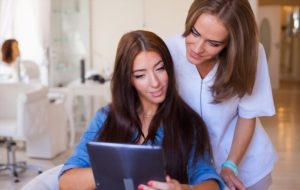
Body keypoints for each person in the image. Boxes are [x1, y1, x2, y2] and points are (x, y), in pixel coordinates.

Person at [59, 30, 224, 190]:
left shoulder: (188, 123)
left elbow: (211, 183)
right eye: (140, 75)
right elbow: (66, 182)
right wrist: (118, 169)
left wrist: (182, 189)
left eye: (160, 68)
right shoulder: (106, 118)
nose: (155, 82)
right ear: (129, 80)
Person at [165, 0, 277, 190]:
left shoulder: (250, 55)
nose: (197, 48)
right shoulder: (169, 49)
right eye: (195, 32)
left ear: (232, 45)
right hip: (195, 168)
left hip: (245, 168)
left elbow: (247, 115)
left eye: (213, 43)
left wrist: (230, 164)